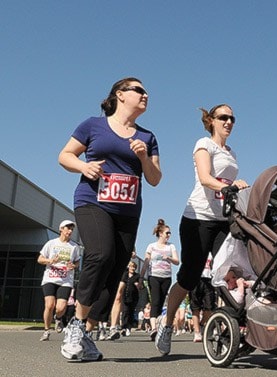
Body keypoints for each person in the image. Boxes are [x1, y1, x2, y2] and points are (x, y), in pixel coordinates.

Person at [58, 77, 161, 361]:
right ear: (120, 94)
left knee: (114, 271)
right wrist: (83, 165)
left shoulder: (147, 137)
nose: (146, 95)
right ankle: (75, 326)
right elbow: (65, 155)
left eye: (146, 91)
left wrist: (142, 158)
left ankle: (87, 333)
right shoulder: (93, 125)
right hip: (93, 201)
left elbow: (154, 179)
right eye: (139, 90)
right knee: (100, 254)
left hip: (127, 211)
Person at [155, 104, 248, 355]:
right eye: (223, 117)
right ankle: (166, 324)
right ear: (211, 121)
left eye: (232, 118)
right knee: (190, 276)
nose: (229, 121)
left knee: (229, 271)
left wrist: (238, 191)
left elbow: (228, 185)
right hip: (197, 218)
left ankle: (236, 327)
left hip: (223, 220)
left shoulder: (232, 153)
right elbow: (206, 178)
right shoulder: (203, 144)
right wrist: (228, 187)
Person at [37, 220, 81, 341]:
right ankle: (46, 330)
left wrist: (74, 266)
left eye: (72, 229)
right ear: (61, 229)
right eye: (68, 228)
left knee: (61, 308)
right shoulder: (51, 243)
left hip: (66, 280)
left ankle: (58, 318)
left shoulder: (74, 246)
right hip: (50, 278)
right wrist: (49, 261)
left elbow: (77, 261)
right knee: (50, 305)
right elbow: (40, 259)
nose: (70, 231)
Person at [139, 219, 179, 340]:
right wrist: (141, 278)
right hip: (154, 276)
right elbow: (146, 262)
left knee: (161, 302)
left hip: (166, 277)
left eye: (169, 233)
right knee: (155, 301)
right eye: (167, 233)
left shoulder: (171, 246)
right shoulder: (151, 246)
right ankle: (154, 328)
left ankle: (157, 326)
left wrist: (169, 258)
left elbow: (177, 262)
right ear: (160, 234)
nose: (169, 235)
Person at [119, 261, 141, 336]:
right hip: (125, 296)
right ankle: (123, 327)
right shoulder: (125, 275)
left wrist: (138, 285)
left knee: (131, 312)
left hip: (134, 297)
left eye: (134, 267)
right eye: (131, 267)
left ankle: (129, 327)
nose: (132, 268)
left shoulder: (137, 276)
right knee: (125, 311)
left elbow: (141, 286)